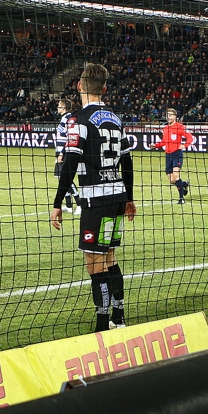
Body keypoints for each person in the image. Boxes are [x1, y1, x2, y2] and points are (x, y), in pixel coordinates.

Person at [51, 63, 136, 332]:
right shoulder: (116, 119)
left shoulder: (77, 120)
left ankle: (102, 325)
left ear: (79, 86)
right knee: (110, 257)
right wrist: (129, 198)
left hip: (94, 200)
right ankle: (119, 318)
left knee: (94, 263)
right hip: (117, 197)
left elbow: (71, 162)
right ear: (105, 88)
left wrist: (57, 203)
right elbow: (128, 161)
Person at [153, 108, 195, 204]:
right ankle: (183, 184)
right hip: (168, 155)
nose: (169, 117)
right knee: (172, 180)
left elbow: (190, 137)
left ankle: (181, 198)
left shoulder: (179, 127)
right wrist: (155, 145)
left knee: (176, 175)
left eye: (171, 115)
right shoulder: (165, 128)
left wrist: (184, 145)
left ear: (175, 116)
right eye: (168, 115)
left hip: (177, 153)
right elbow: (164, 142)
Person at [53, 98, 80, 215]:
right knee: (60, 178)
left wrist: (62, 152)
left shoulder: (68, 119)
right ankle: (69, 205)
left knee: (66, 178)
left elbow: (70, 137)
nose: (57, 108)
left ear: (64, 108)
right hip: (59, 151)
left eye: (59, 106)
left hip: (63, 152)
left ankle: (79, 204)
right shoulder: (64, 118)